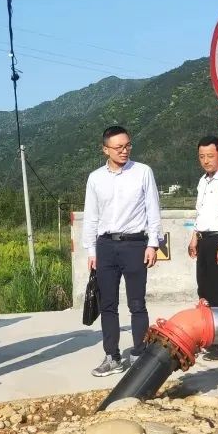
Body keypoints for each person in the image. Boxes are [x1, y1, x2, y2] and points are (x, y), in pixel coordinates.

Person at [82, 126, 162, 377]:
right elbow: (91, 217)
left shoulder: (143, 172)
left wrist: (153, 244)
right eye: (118, 147)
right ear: (105, 149)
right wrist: (91, 251)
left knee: (137, 303)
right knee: (108, 304)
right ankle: (112, 356)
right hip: (105, 247)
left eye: (128, 145)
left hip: (135, 245)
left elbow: (153, 210)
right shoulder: (95, 178)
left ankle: (140, 353)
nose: (124, 150)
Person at [187, 135, 218, 361]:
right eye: (201, 156)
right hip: (205, 240)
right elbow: (201, 213)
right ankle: (211, 337)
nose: (206, 160)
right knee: (205, 291)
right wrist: (194, 237)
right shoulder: (203, 181)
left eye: (210, 156)